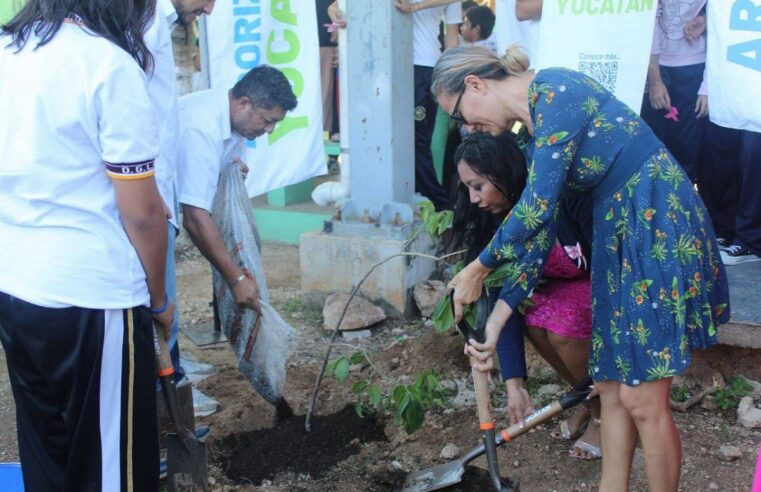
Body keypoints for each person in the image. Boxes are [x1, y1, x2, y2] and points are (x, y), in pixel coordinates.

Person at [433, 45, 729, 491]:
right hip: (620, 239)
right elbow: (539, 234)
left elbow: (536, 206)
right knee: (610, 389)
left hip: (655, 225)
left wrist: (478, 266)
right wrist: (495, 323)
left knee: (642, 398)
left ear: (475, 84)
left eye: (460, 115)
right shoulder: (534, 140)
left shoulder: (555, 91)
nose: (468, 128)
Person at [0, 0, 172, 489]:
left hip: (15, 283)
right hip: (91, 296)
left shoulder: (7, 52)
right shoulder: (106, 63)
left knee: (48, 452)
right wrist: (158, 299)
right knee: (111, 468)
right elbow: (142, 213)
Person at [451, 131, 601, 460]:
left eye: (478, 186)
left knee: (561, 323)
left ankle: (603, 415)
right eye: (468, 189)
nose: (474, 199)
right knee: (534, 317)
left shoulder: (553, 196)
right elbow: (500, 299)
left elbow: (603, 256)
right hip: (555, 290)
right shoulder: (491, 222)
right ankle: (587, 400)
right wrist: (513, 384)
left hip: (598, 284)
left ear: (503, 171)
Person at [177, 65, 297, 311]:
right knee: (160, 307)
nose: (270, 129)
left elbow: (228, 170)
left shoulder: (239, 123)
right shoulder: (202, 126)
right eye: (268, 120)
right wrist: (237, 279)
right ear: (243, 103)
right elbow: (195, 218)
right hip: (141, 214)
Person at [144, 0, 215, 387]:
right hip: (147, 200)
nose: (210, 9)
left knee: (163, 311)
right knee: (157, 311)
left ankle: (167, 397)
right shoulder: (146, 22)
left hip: (157, 198)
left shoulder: (161, 24)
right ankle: (160, 409)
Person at [641, 0, 708, 183]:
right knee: (653, 141)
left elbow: (723, 20)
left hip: (696, 68)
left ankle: (683, 203)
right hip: (658, 66)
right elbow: (647, 23)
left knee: (689, 145)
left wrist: (708, 86)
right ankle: (654, 199)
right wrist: (655, 81)